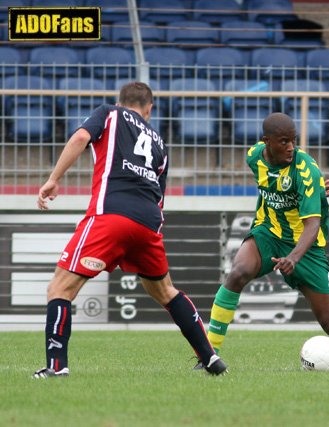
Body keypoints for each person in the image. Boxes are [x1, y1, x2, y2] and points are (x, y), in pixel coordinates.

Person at [33, 82, 226, 378]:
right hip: (148, 223)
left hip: (111, 213)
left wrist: (53, 179)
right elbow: (160, 197)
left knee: (60, 288)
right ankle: (210, 357)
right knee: (165, 291)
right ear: (149, 109)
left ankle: (56, 367)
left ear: (121, 101)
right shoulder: (160, 143)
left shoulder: (109, 113)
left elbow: (81, 136)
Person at [204, 112, 329, 371]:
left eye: (293, 141)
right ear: (266, 142)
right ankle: (208, 355)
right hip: (268, 233)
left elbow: (312, 224)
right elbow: (269, 188)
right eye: (284, 141)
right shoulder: (254, 157)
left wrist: (293, 257)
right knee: (237, 273)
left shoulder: (305, 169)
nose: (290, 147)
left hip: (306, 248)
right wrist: (315, 191)